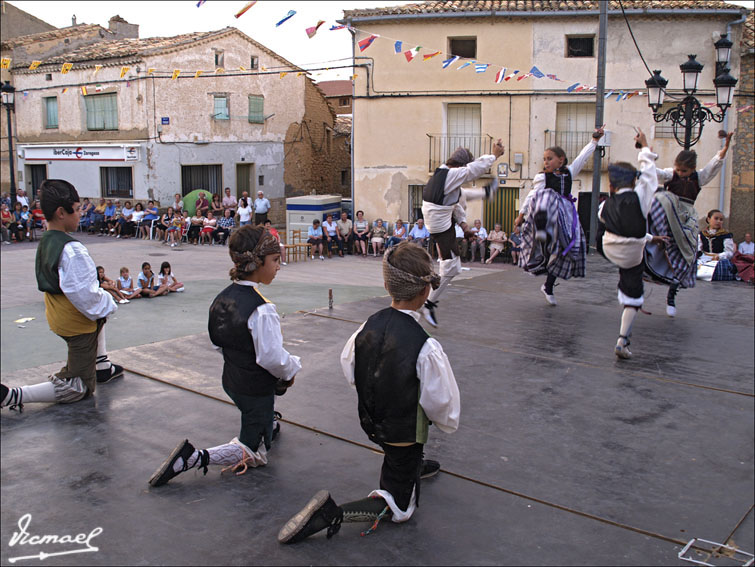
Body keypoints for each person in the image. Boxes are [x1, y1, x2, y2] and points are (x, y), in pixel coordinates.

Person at [277, 242, 459, 544]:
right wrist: (442, 422)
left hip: (371, 422)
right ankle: (333, 513)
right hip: (403, 433)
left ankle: (409, 465)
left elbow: (349, 367)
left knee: (401, 453)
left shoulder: (366, 327)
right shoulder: (426, 347)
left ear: (387, 284)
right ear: (426, 292)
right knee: (402, 508)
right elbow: (442, 406)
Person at [149, 225, 300, 487]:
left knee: (257, 414)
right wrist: (292, 368)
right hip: (254, 389)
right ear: (256, 263)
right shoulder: (263, 309)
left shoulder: (221, 299)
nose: (279, 266)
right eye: (275, 260)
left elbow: (217, 342)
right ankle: (192, 458)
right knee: (254, 452)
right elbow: (272, 359)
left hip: (231, 380)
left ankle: (267, 423)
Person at [1, 180, 123, 411]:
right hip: (75, 324)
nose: (80, 214)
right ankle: (12, 395)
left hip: (58, 314)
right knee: (79, 387)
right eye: (76, 210)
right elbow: (84, 296)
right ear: (61, 213)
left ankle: (101, 364)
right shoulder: (73, 249)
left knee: (100, 310)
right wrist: (110, 301)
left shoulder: (47, 240)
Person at [596, 128, 667, 359]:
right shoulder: (640, 196)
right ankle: (622, 340)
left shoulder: (605, 203)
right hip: (631, 254)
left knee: (609, 236)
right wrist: (644, 146)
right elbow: (648, 173)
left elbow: (608, 220)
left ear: (612, 183)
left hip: (607, 247)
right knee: (633, 294)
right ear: (633, 180)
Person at [646, 132, 733, 316]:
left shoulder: (699, 177)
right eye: (678, 170)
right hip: (671, 213)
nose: (680, 173)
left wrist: (724, 149)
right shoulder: (671, 175)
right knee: (660, 245)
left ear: (692, 169)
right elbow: (656, 173)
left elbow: (713, 166)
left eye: (684, 171)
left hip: (687, 219)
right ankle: (644, 269)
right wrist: (647, 154)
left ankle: (672, 293)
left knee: (687, 256)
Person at [515, 127, 604, 306]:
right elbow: (532, 196)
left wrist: (594, 141)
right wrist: (521, 215)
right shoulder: (542, 178)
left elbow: (582, 158)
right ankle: (540, 245)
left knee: (566, 249)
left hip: (566, 216)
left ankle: (548, 285)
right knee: (546, 199)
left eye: (550, 159)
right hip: (547, 215)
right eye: (544, 159)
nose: (546, 162)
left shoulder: (569, 172)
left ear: (561, 160)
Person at [420, 140, 505, 326]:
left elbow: (456, 203)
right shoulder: (450, 175)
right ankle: (428, 304)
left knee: (462, 194)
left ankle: (485, 192)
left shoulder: (442, 175)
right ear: (460, 165)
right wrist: (494, 156)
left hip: (440, 218)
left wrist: (464, 227)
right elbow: (473, 170)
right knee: (452, 268)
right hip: (441, 226)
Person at [696, 209, 737, 281]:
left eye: (721, 220)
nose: (718, 221)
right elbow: (699, 249)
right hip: (704, 258)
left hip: (718, 259)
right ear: (708, 219)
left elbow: (729, 252)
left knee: (721, 266)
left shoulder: (725, 235)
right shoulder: (702, 234)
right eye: (716, 218)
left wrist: (720, 256)